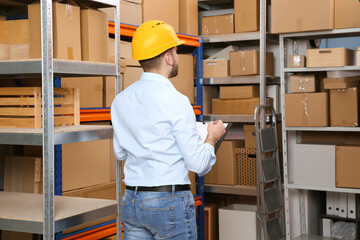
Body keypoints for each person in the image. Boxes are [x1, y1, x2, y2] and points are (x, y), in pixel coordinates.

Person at [111, 20, 226, 240]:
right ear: (168, 58)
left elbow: (120, 153)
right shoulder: (176, 101)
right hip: (168, 203)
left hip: (132, 201)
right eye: (176, 50)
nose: (177, 56)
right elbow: (198, 164)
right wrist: (212, 137)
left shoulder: (120, 100)